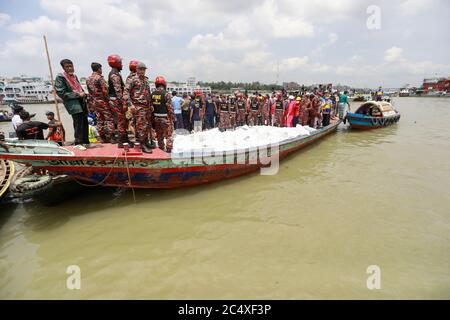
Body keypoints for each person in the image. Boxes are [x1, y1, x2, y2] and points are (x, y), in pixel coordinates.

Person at [55, 59, 89, 145]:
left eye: (71, 66)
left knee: (84, 123)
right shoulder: (60, 77)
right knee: (78, 123)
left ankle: (85, 142)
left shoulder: (74, 76)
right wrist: (78, 95)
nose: (70, 68)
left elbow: (79, 88)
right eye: (67, 67)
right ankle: (79, 143)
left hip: (81, 101)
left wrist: (83, 94)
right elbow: (61, 93)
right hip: (73, 103)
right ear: (63, 68)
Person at [123, 62, 154, 153]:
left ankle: (145, 141)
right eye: (140, 69)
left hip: (147, 106)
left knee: (146, 125)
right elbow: (126, 93)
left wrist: (151, 104)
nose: (142, 71)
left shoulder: (146, 80)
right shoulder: (132, 79)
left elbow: (148, 93)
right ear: (136, 69)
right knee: (141, 126)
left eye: (144, 69)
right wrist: (130, 105)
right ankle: (141, 144)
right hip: (138, 106)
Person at [86, 62, 114, 143]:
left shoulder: (88, 79)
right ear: (99, 69)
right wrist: (109, 100)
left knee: (99, 119)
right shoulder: (99, 78)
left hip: (94, 102)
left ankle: (102, 137)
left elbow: (89, 92)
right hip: (102, 101)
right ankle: (111, 137)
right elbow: (105, 91)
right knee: (109, 119)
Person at [107, 54, 128, 146]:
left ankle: (123, 139)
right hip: (117, 101)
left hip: (114, 100)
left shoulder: (114, 73)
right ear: (117, 63)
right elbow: (118, 91)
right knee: (121, 121)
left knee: (119, 120)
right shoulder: (115, 75)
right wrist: (123, 102)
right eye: (121, 63)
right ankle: (121, 141)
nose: (122, 65)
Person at [152, 75, 174, 153]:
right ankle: (168, 150)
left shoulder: (153, 94)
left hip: (156, 118)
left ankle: (161, 149)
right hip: (165, 118)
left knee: (159, 135)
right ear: (164, 84)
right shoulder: (166, 94)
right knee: (169, 135)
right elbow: (170, 108)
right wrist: (173, 117)